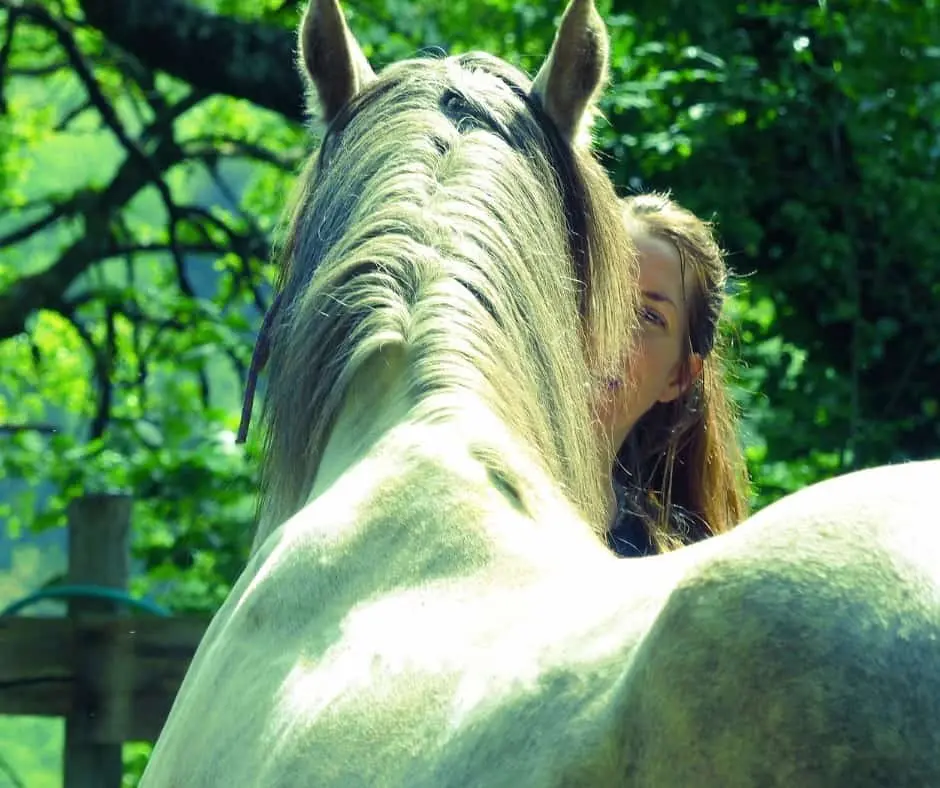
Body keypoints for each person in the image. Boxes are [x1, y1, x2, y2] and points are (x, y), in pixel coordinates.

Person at [595, 191, 751, 557]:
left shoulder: (668, 566)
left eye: (649, 316)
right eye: (598, 291)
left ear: (678, 377)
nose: (607, 329)